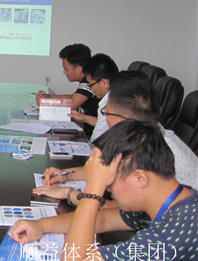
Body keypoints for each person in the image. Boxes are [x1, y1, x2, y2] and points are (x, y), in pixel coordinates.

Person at [10, 120, 197, 261]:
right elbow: (103, 220)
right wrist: (42, 225)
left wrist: (94, 188)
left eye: (109, 181)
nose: (107, 189)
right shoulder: (177, 199)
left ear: (140, 178)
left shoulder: (170, 238)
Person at [35, 70, 197, 205]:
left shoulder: (148, 150)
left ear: (122, 119)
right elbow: (104, 170)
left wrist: (70, 194)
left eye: (106, 113)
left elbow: (116, 211)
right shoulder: (148, 134)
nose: (104, 118)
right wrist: (65, 174)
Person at [36, 43, 98, 136]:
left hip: (92, 135)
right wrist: (48, 97)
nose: (64, 72)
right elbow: (73, 97)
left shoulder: (89, 82)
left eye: (66, 69)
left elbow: (72, 105)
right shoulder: (86, 81)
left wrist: (46, 103)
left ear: (78, 69)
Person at [68, 53, 118, 142]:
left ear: (104, 83)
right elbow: (103, 124)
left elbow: (96, 139)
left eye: (91, 84)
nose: (91, 88)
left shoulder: (109, 104)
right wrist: (83, 117)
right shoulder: (115, 95)